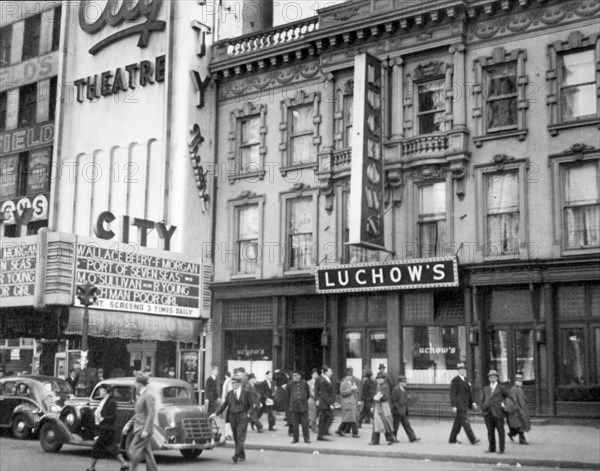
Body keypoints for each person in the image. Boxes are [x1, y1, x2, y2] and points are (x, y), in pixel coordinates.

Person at [210, 373, 253, 464]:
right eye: (231, 383)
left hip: (242, 416)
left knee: (240, 436)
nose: (232, 385)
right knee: (236, 436)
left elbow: (251, 405)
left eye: (234, 383)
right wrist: (215, 413)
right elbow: (224, 405)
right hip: (232, 416)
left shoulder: (246, 392)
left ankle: (236, 455)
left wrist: (248, 414)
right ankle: (242, 454)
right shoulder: (230, 394)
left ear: (239, 383)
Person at [86, 384, 128, 471]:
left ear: (105, 391)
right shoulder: (103, 401)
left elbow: (113, 416)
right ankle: (124, 464)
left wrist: (103, 419)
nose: (100, 392)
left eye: (101, 390)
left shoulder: (112, 402)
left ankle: (91, 468)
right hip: (105, 428)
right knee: (113, 448)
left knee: (97, 447)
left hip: (107, 428)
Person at [123, 373, 158, 471]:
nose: (135, 384)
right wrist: (128, 424)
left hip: (142, 429)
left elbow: (151, 413)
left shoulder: (147, 395)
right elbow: (139, 413)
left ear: (140, 383)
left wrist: (146, 430)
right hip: (140, 427)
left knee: (132, 450)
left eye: (136, 382)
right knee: (148, 454)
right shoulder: (143, 394)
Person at [449, 362, 480, 445]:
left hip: (465, 405)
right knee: (465, 422)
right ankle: (472, 439)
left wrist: (473, 403)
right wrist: (454, 405)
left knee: (457, 424)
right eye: (460, 369)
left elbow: (469, 393)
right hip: (459, 405)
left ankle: (452, 439)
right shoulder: (455, 380)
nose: (462, 371)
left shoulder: (466, 380)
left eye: (463, 369)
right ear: (458, 371)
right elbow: (452, 394)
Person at [481, 369, 509, 454]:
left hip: (498, 413)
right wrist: (483, 408)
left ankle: (501, 448)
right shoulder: (486, 388)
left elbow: (507, 398)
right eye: (491, 377)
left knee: (500, 431)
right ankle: (491, 448)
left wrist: (503, 405)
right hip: (488, 413)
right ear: (489, 378)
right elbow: (482, 400)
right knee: (490, 431)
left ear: (497, 378)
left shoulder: (501, 388)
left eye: (494, 377)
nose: (492, 379)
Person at [391, 375, 420, 443]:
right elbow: (393, 400)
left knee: (407, 424)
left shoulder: (403, 389)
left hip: (403, 410)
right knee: (395, 425)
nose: (405, 383)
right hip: (397, 411)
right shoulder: (396, 389)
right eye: (404, 382)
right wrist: (397, 408)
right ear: (400, 382)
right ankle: (392, 438)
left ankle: (412, 437)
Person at [286, 370, 311, 444]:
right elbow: (288, 395)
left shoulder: (304, 383)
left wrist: (303, 400)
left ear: (300, 376)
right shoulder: (290, 384)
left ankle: (306, 439)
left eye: (296, 375)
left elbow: (308, 394)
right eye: (294, 376)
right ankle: (295, 439)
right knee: (295, 424)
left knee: (305, 423)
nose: (295, 377)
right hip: (294, 406)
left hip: (303, 406)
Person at [370, 372, 395, 445]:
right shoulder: (380, 386)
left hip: (382, 406)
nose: (378, 380)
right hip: (379, 406)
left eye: (380, 378)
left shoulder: (384, 386)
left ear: (383, 379)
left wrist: (379, 397)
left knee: (383, 422)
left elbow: (385, 397)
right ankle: (376, 440)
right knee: (380, 423)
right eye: (377, 378)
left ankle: (379, 440)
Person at [506, 372, 530, 445]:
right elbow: (514, 400)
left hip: (522, 410)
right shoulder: (514, 389)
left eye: (521, 381)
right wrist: (518, 409)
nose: (521, 382)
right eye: (519, 381)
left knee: (519, 425)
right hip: (518, 411)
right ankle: (522, 439)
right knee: (521, 425)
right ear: (515, 381)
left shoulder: (519, 389)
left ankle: (511, 433)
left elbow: (523, 399)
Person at [336, 368, 360, 438]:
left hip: (352, 403)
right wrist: (351, 389)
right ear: (347, 376)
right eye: (349, 375)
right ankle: (355, 433)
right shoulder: (343, 383)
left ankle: (340, 430)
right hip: (347, 403)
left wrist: (356, 391)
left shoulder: (351, 382)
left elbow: (354, 393)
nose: (351, 377)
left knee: (348, 418)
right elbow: (342, 393)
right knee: (352, 419)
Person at [316, 365, 335, 441]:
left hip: (325, 403)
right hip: (324, 403)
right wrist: (330, 403)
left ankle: (321, 434)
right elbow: (324, 393)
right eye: (330, 371)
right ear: (325, 372)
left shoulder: (327, 379)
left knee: (325, 418)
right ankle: (321, 434)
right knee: (327, 418)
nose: (331, 372)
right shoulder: (323, 380)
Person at [307, 368, 319, 433]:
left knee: (316, 414)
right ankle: (313, 427)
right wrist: (316, 398)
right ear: (312, 375)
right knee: (312, 414)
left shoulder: (319, 382)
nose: (316, 375)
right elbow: (310, 392)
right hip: (311, 399)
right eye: (314, 374)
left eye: (317, 374)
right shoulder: (309, 382)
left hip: (318, 400)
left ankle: (312, 424)